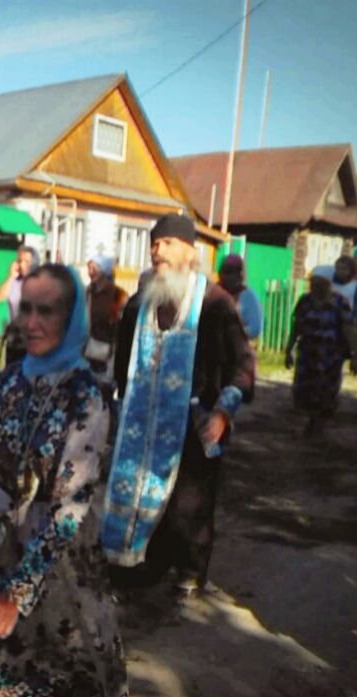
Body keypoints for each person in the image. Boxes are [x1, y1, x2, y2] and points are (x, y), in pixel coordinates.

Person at [0, 263, 127, 697]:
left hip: (55, 560)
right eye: (27, 308)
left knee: (60, 675)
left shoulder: (87, 394)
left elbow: (70, 507)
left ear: (72, 317)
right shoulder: (11, 378)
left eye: (48, 311)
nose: (32, 322)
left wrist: (16, 593)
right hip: (0, 544)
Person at [105, 214, 254, 597]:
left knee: (189, 505)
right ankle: (143, 563)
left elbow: (242, 364)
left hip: (196, 421)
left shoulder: (215, 303)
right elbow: (122, 363)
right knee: (142, 495)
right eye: (154, 244)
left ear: (191, 252)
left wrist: (223, 412)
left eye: (167, 243)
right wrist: (117, 405)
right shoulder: (139, 304)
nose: (158, 250)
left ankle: (191, 569)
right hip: (142, 425)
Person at [285, 266, 352, 437]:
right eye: (312, 282)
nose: (314, 286)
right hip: (307, 355)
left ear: (328, 283)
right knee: (305, 391)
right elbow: (297, 326)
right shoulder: (305, 301)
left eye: (318, 283)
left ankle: (318, 425)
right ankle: (311, 423)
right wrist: (289, 348)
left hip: (330, 357)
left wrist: (351, 353)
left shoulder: (340, 303)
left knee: (325, 392)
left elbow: (347, 330)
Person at [0, 245, 40, 365]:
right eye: (19, 261)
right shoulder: (15, 282)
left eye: (27, 262)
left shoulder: (40, 282)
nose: (22, 265)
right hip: (15, 337)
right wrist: (11, 276)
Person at [84, 254, 129, 378]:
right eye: (89, 268)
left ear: (104, 270)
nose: (90, 272)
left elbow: (124, 323)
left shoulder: (118, 294)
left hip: (107, 354)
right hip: (85, 350)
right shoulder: (86, 292)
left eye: (94, 268)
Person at [218, 253, 263, 341]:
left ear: (240, 275)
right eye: (226, 272)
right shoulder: (216, 292)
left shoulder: (247, 296)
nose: (227, 277)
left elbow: (255, 328)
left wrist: (232, 335)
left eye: (231, 272)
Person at [331, 254, 357, 331]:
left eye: (344, 269)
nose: (340, 271)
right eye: (338, 268)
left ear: (351, 270)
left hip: (347, 325)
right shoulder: (330, 284)